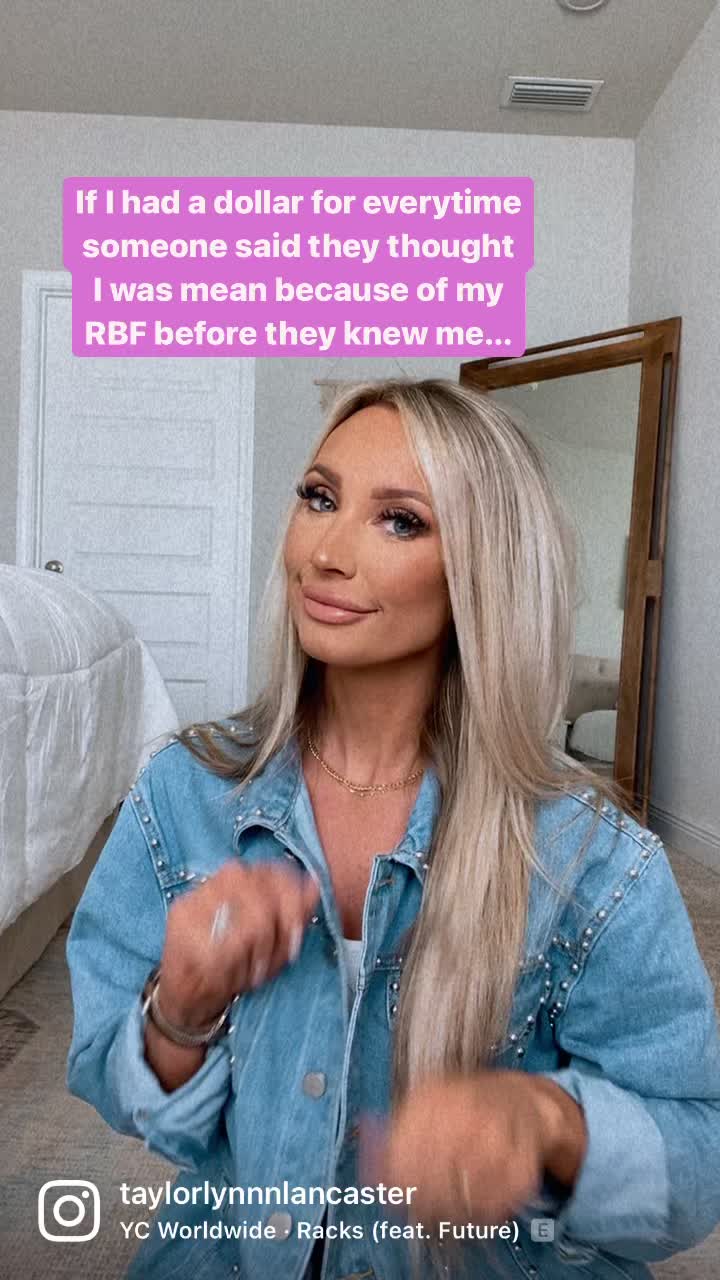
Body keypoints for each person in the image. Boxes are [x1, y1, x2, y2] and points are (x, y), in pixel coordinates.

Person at [66, 378, 720, 1280]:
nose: (326, 552)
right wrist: (178, 1013)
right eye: (319, 498)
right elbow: (120, 1091)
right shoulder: (184, 793)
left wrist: (548, 1125)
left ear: (481, 568)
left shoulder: (590, 858)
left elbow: (697, 1160)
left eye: (400, 521)